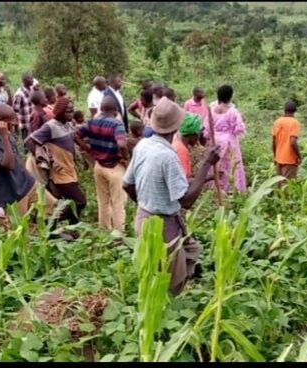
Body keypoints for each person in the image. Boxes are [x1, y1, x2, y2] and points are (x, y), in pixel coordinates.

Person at [123, 97, 220, 295]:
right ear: (176, 126)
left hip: (145, 217)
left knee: (191, 251)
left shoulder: (143, 145)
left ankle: (179, 285)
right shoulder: (168, 156)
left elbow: (127, 184)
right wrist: (206, 164)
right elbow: (186, 201)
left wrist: (144, 205)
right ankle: (168, 311)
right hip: (163, 225)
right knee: (169, 282)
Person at [0, 103, 56, 219]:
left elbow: (17, 159)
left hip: (27, 183)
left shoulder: (7, 133)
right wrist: (4, 137)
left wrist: (6, 135)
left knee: (52, 206)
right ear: (0, 120)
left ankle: (50, 234)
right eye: (11, 119)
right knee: (19, 231)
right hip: (11, 194)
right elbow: (8, 165)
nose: (14, 122)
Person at [27, 97, 86, 225]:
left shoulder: (67, 124)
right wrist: (46, 162)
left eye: (72, 111)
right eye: (68, 111)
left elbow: (75, 138)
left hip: (70, 168)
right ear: (60, 111)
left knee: (71, 202)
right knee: (80, 202)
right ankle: (50, 221)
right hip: (60, 172)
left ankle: (73, 229)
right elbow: (31, 141)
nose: (71, 114)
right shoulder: (50, 126)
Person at [76, 96, 129, 232]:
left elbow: (75, 135)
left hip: (99, 166)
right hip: (115, 167)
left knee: (103, 201)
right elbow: (122, 143)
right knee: (118, 203)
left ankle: (104, 231)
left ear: (101, 109)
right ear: (116, 110)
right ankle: (119, 235)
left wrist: (87, 149)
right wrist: (126, 158)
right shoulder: (117, 124)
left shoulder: (92, 121)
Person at [205, 85, 247, 193]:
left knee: (217, 164)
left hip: (216, 141)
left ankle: (216, 188)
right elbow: (238, 129)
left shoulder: (212, 109)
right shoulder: (232, 112)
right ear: (230, 97)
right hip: (229, 142)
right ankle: (233, 189)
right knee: (231, 165)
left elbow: (207, 127)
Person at [272, 100, 302, 182]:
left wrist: (275, 156)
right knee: (288, 186)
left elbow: (274, 142)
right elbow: (293, 142)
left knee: (279, 186)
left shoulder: (277, 122)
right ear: (295, 111)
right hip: (290, 160)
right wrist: (299, 156)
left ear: (284, 109)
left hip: (278, 159)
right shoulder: (295, 123)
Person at [25, 91, 50, 183]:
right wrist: (37, 157)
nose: (46, 99)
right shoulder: (37, 114)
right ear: (39, 101)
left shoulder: (41, 113)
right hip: (38, 150)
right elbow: (34, 136)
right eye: (44, 98)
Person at [173, 114, 203, 178]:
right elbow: (183, 182)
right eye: (199, 133)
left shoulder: (176, 142)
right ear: (194, 134)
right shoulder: (181, 150)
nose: (199, 137)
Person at [13, 72, 34, 145]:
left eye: (32, 78)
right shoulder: (19, 94)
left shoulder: (32, 90)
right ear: (24, 81)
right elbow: (15, 111)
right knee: (27, 146)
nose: (32, 80)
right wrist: (16, 129)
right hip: (25, 125)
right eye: (30, 79)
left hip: (33, 123)